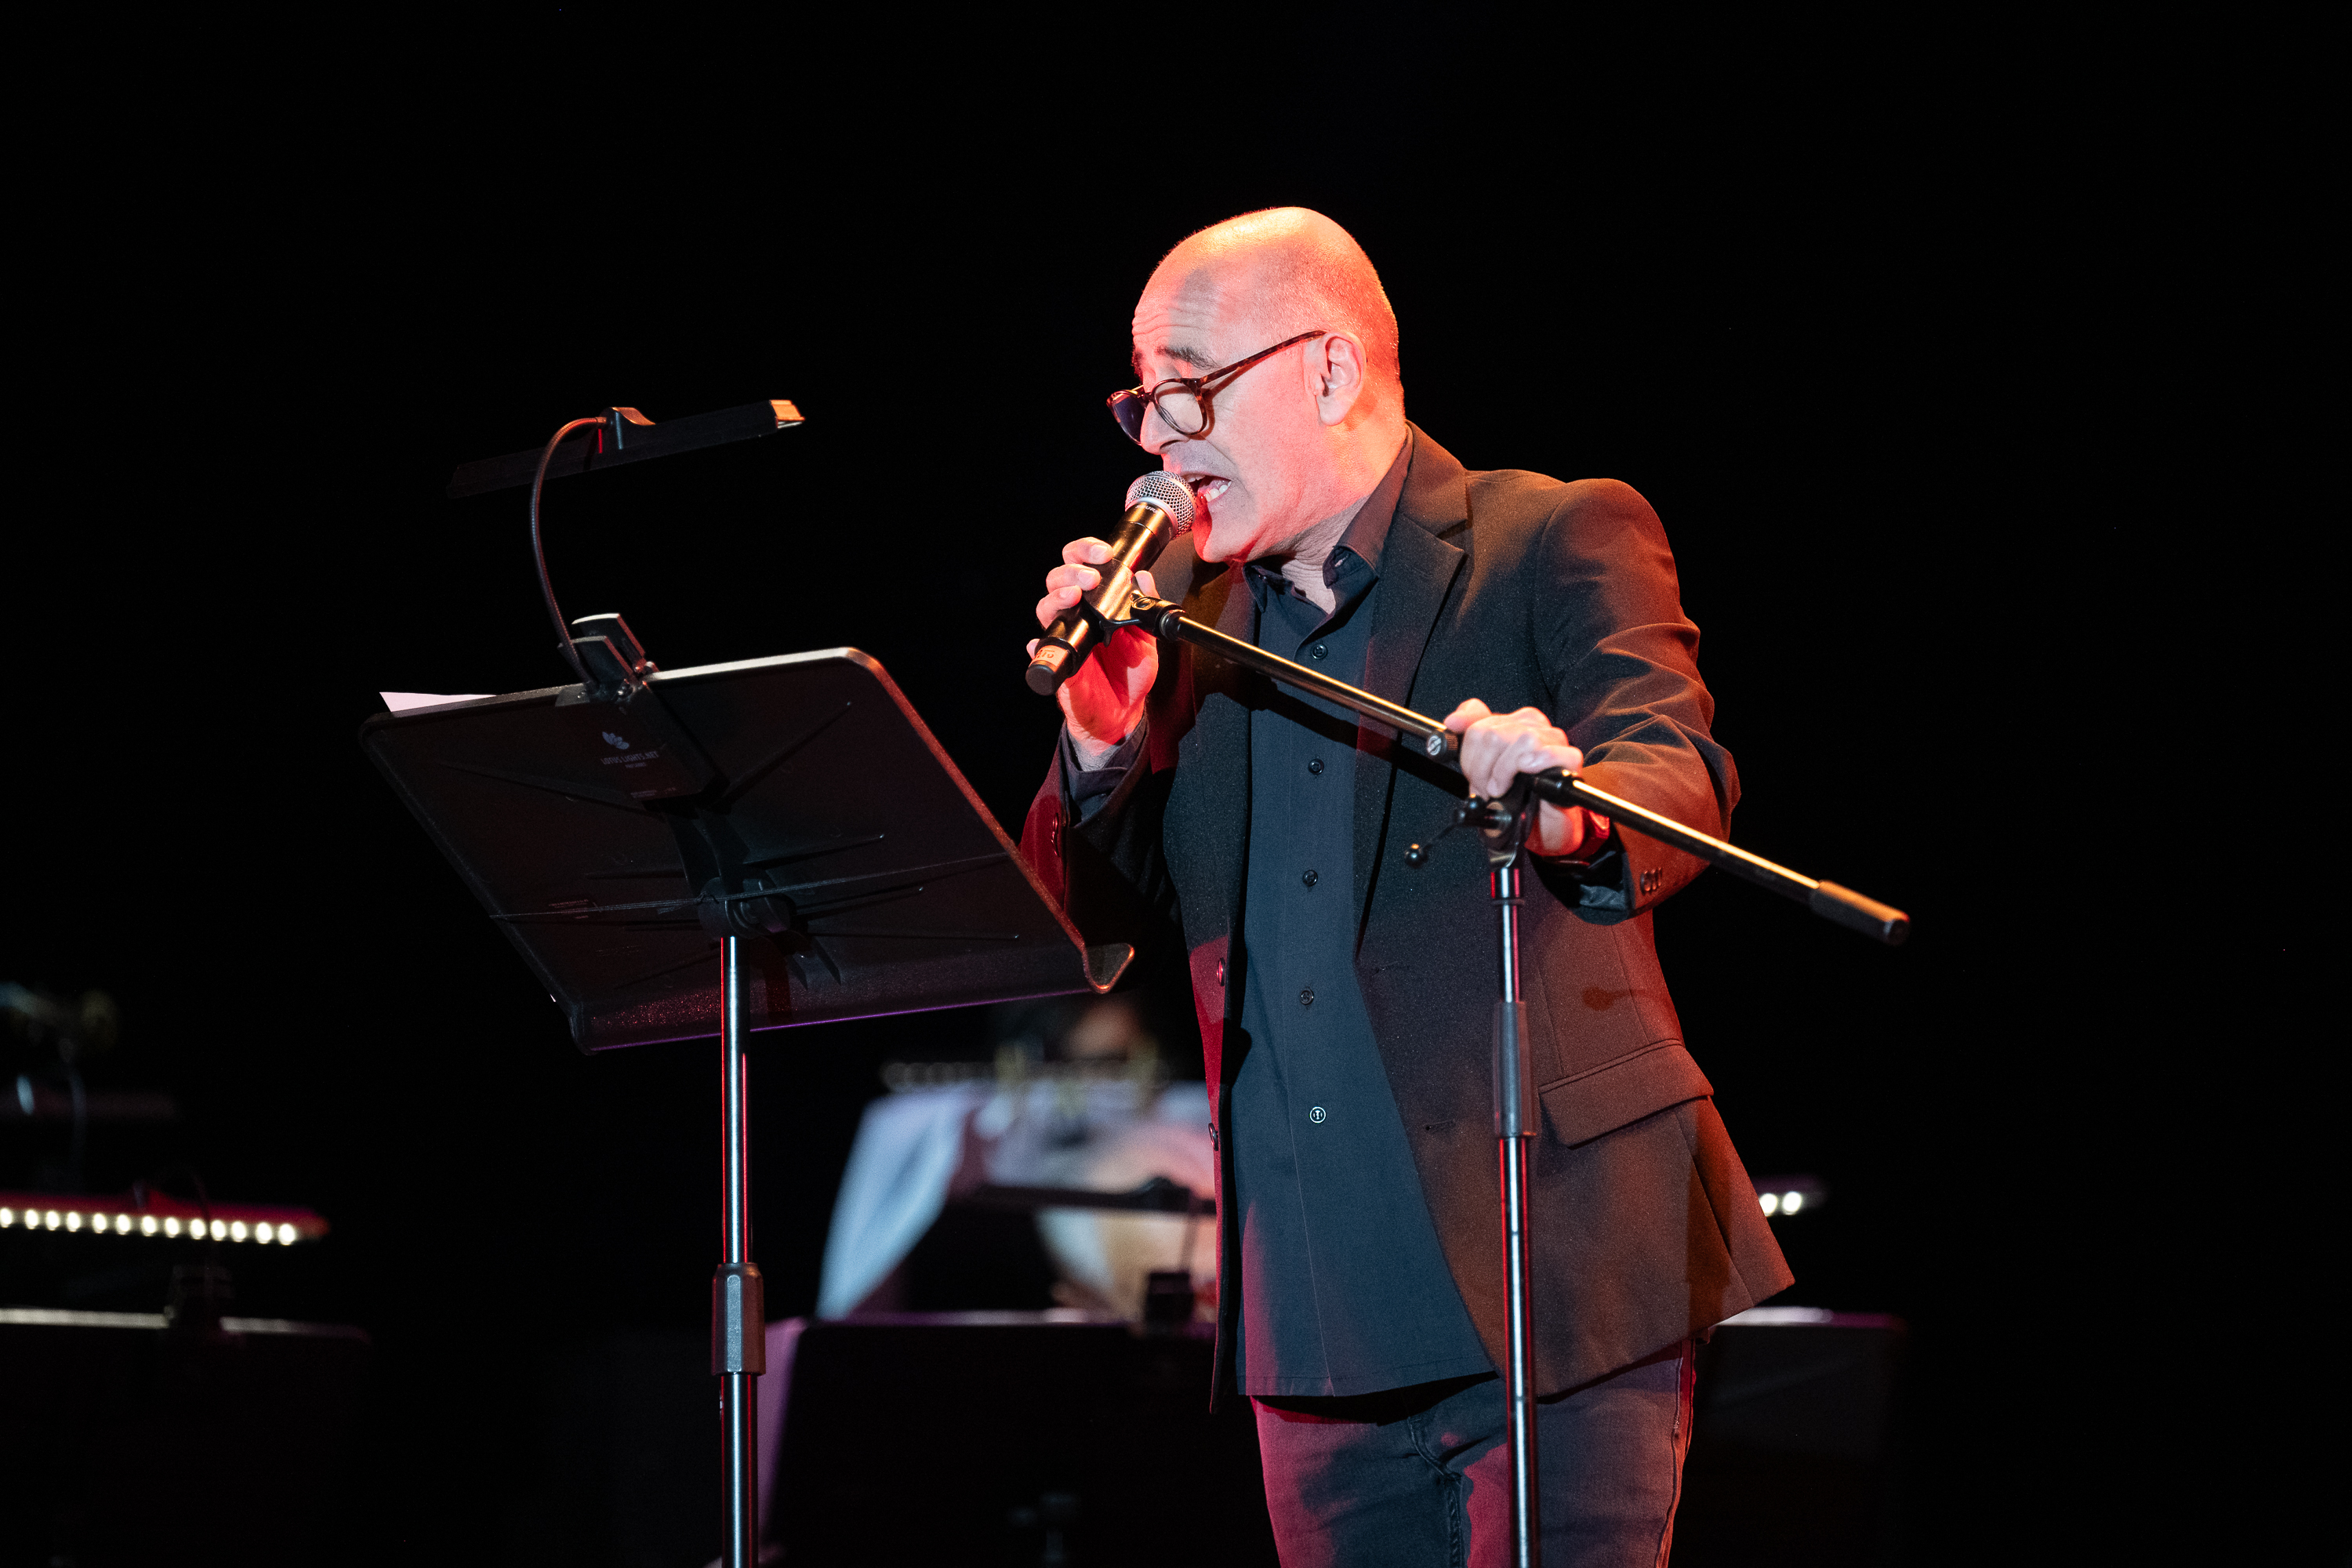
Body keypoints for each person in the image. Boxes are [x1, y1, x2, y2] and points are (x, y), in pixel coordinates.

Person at [1019, 208, 1790, 1568]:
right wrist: (1099, 746)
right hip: (1314, 1319)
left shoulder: (1548, 535)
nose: (1157, 441)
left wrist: (1567, 817)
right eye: (1143, 401)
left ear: (1327, 370)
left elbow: (1681, 766)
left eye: (1189, 390)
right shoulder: (1182, 616)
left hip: (1555, 1279)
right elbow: (1084, 919)